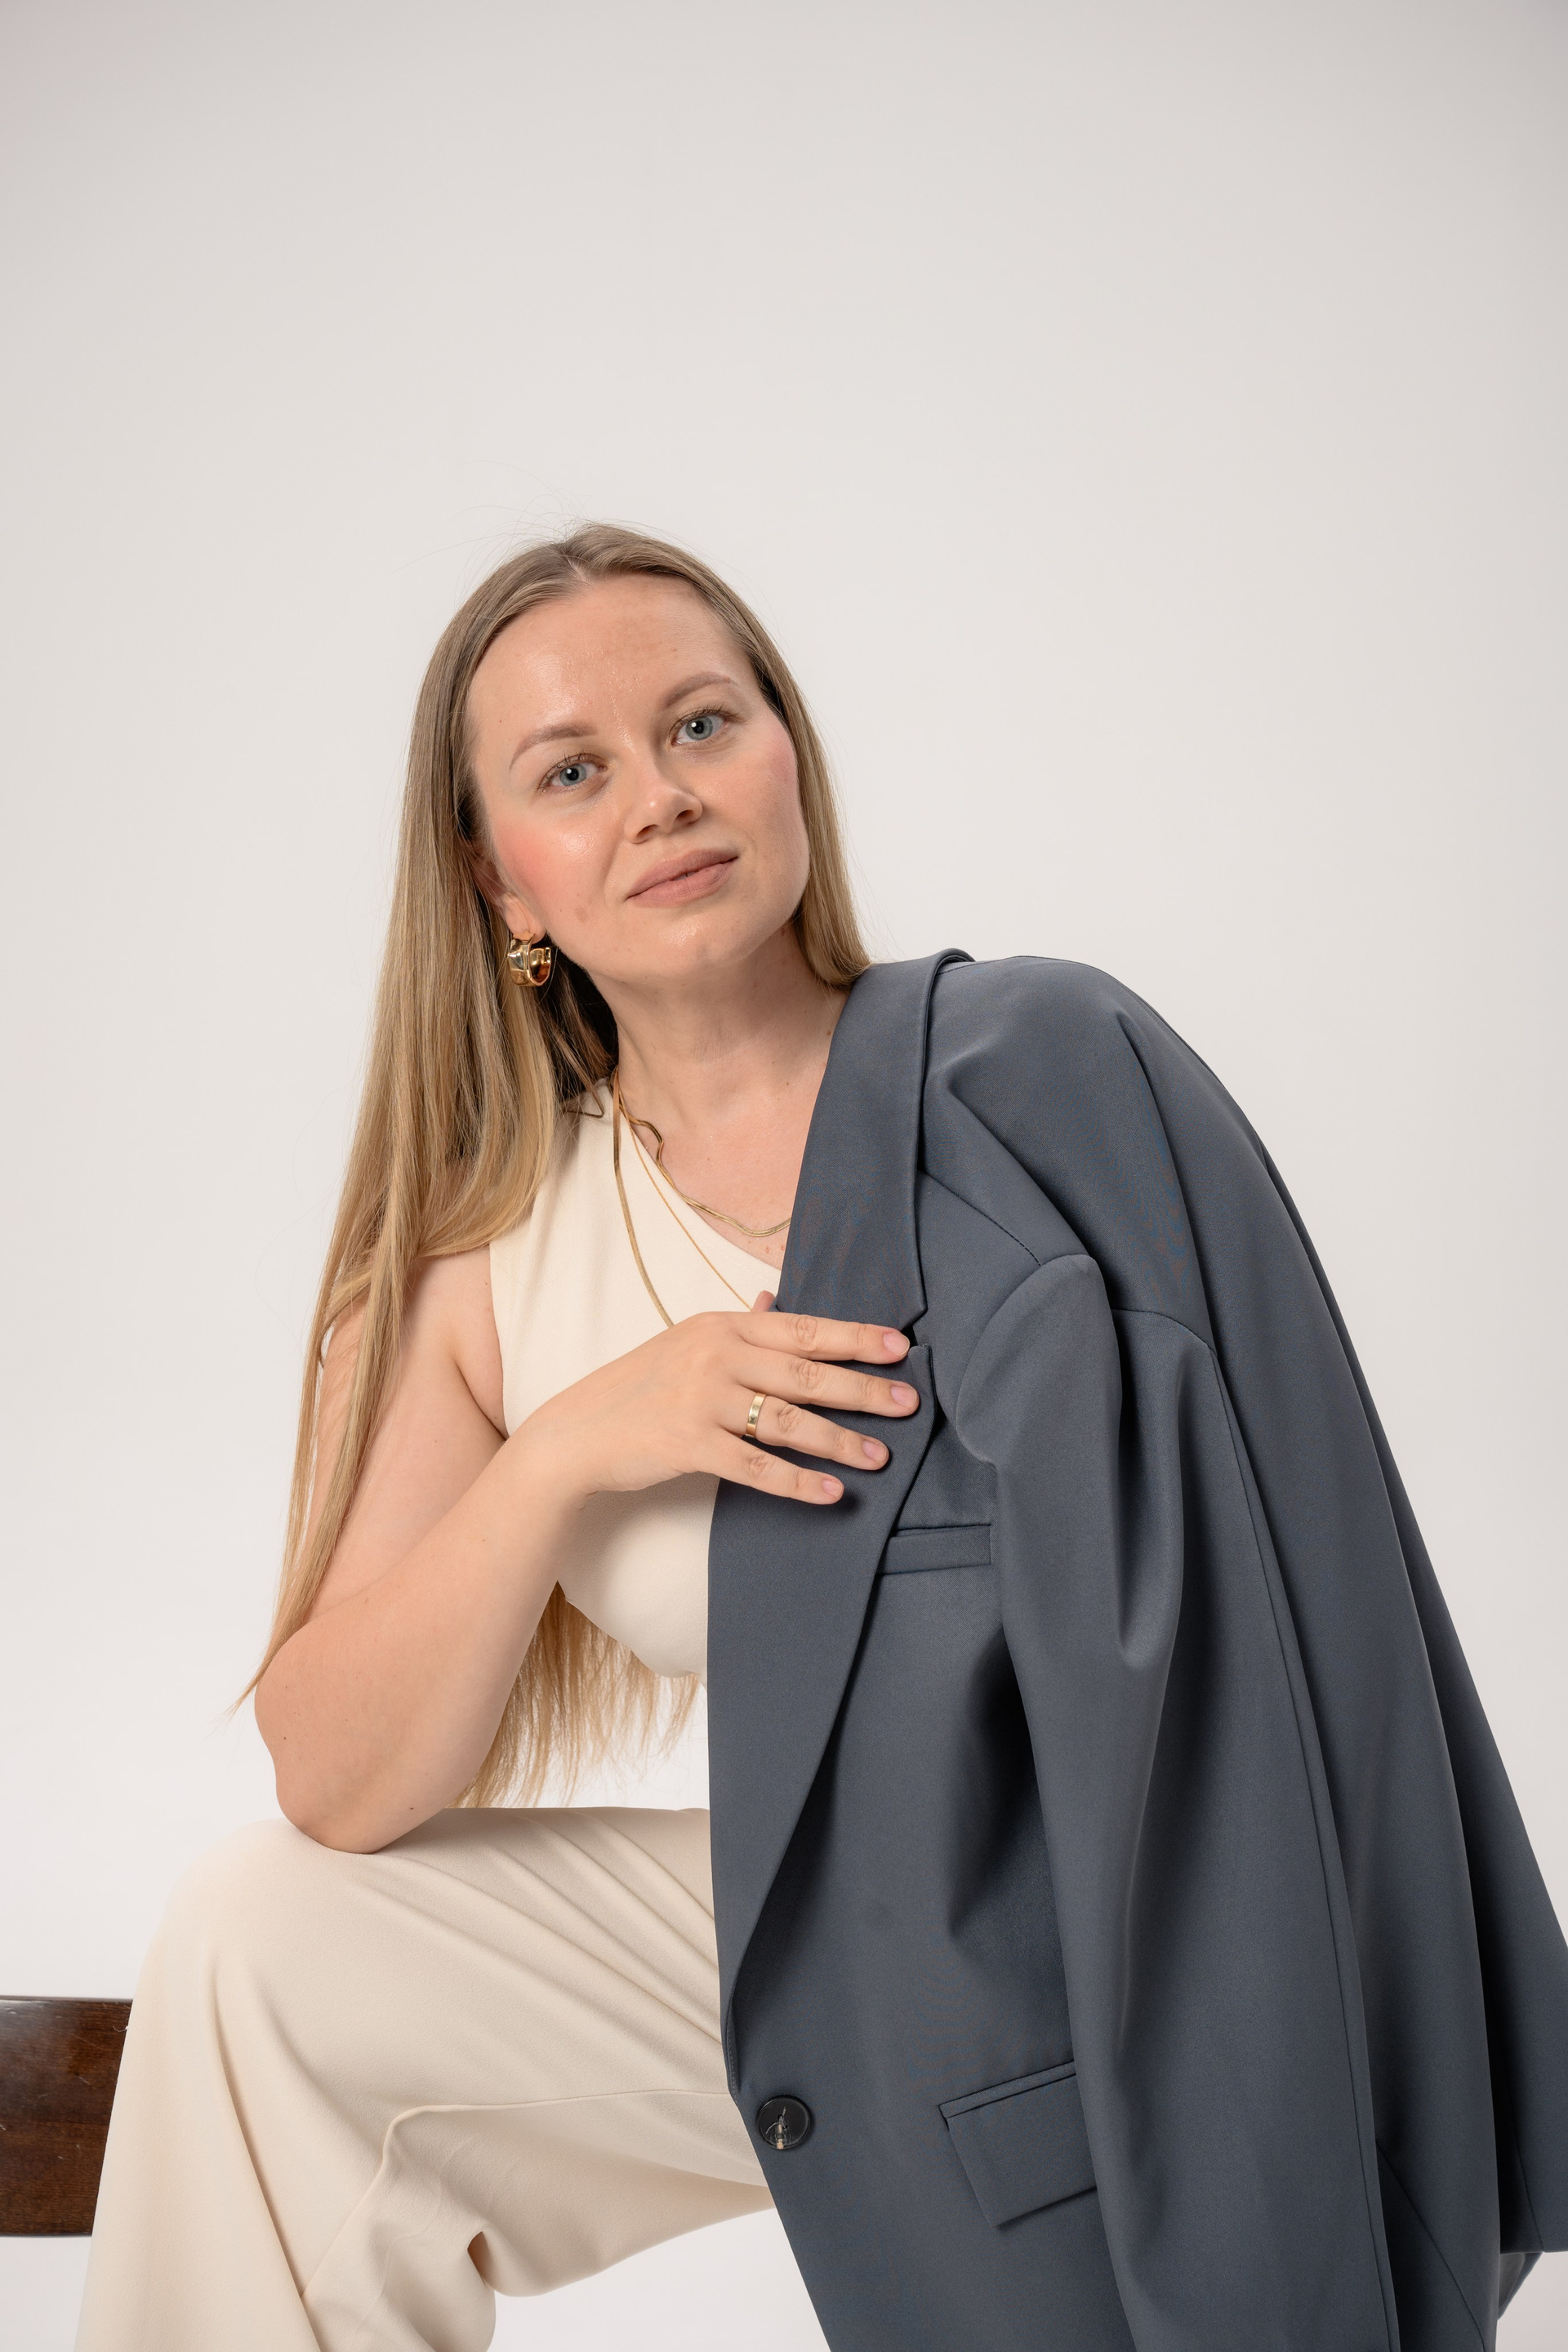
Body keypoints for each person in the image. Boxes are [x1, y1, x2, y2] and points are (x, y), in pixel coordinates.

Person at [77, 527, 1568, 2352]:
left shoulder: (1046, 1070)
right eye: (573, 772)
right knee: (262, 1943)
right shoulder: (485, 1261)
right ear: (498, 879)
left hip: (1118, 1924)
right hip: (832, 1948)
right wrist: (568, 1454)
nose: (661, 796)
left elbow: (1323, 1604)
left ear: (789, 751)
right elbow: (335, 1776)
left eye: (703, 723)